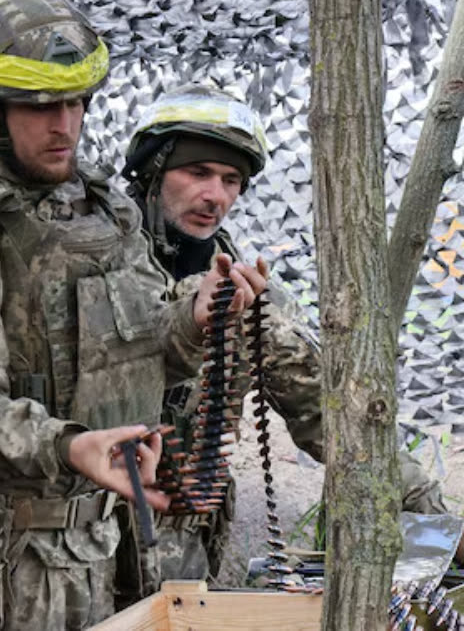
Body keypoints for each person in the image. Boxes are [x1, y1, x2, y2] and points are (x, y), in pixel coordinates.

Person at [0, 0, 269, 630]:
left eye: (75, 103)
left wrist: (197, 318)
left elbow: (144, 355)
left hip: (115, 543)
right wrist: (71, 446)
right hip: (14, 568)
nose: (64, 125)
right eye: (41, 107)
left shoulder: (106, 210)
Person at [121, 82, 454, 585]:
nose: (215, 196)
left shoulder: (246, 294)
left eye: (231, 180)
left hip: (179, 559)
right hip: (77, 551)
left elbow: (331, 415)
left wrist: (436, 517)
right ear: (153, 169)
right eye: (197, 172)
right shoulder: (94, 267)